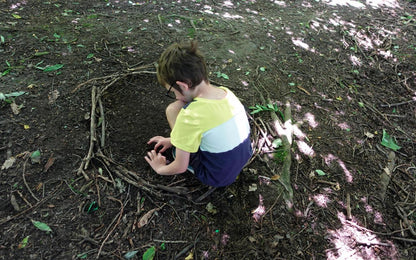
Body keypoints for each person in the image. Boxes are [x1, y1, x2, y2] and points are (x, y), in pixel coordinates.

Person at [144, 41, 252, 187]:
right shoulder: (226, 92)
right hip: (242, 158)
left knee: (173, 109)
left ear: (183, 85)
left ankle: (181, 143)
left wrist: (160, 168)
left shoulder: (190, 116)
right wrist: (172, 139)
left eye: (173, 92)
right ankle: (181, 140)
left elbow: (180, 167)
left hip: (216, 177)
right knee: (182, 112)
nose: (176, 97)